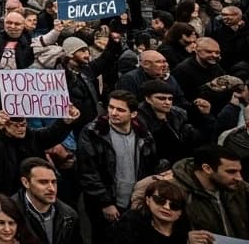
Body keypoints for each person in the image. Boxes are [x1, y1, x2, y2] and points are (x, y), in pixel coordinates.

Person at [77, 91, 162, 241]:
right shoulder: (93, 133)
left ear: (133, 114)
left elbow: (150, 166)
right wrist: (106, 203)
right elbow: (88, 172)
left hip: (134, 202)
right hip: (106, 202)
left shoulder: (143, 135)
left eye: (120, 110)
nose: (113, 113)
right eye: (111, 107)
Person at [171, 144, 249, 238]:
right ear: (207, 169)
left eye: (239, 171)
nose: (239, 178)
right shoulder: (175, 191)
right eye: (231, 172)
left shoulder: (237, 185)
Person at [13, 158, 81, 244]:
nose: (52, 189)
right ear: (26, 182)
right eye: (43, 182)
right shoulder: (10, 213)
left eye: (53, 182)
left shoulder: (69, 216)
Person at [111, 178, 187, 244]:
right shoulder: (131, 223)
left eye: (175, 205)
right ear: (148, 200)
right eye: (160, 200)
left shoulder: (186, 235)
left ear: (180, 212)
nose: (166, 207)